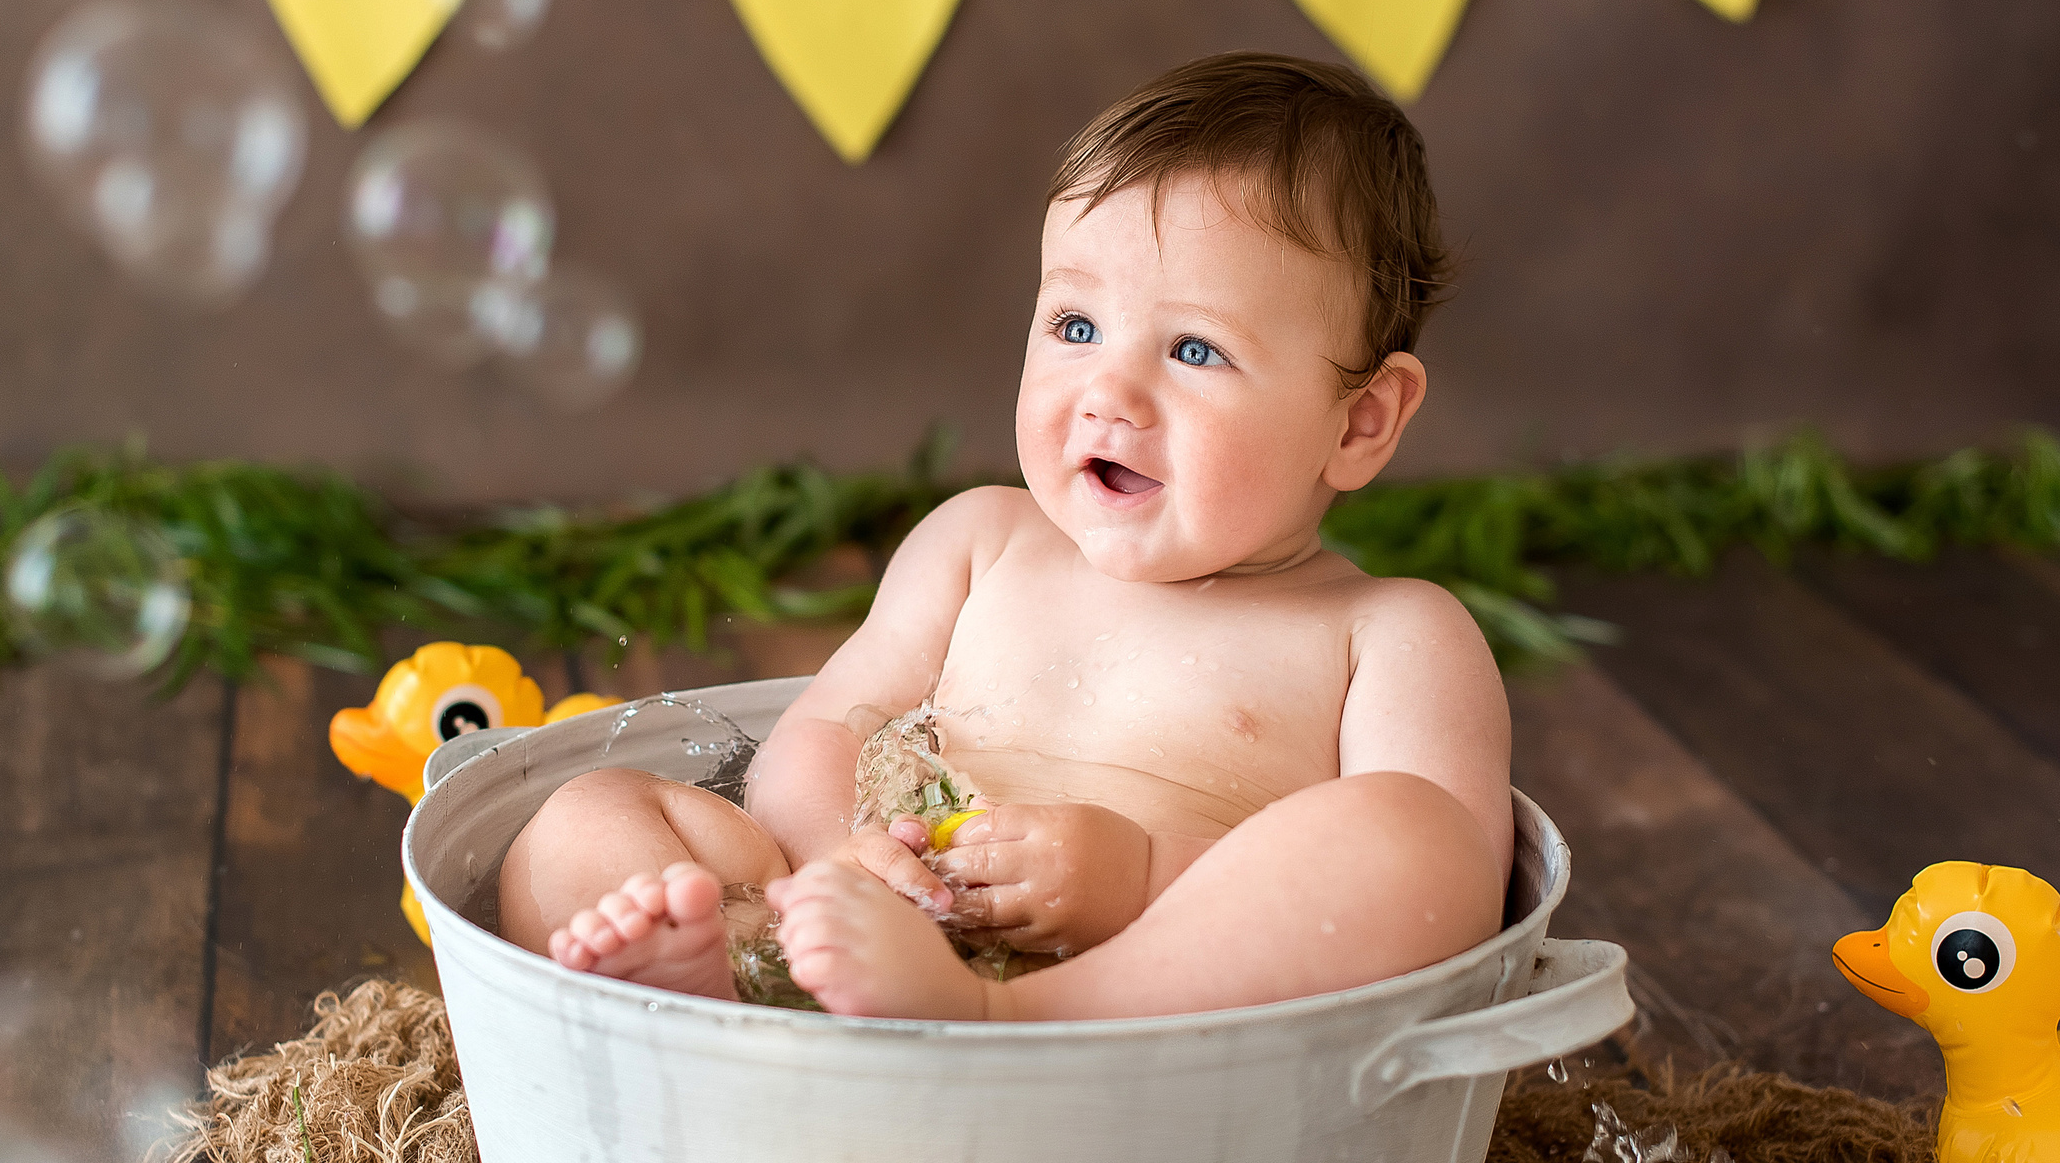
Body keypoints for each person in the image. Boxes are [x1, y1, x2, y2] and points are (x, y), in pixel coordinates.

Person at [498, 52, 1513, 1022]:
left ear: (1360, 419)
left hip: (1140, 1009)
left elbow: (1448, 903)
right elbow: (824, 730)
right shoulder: (980, 541)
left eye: (1195, 348)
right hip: (866, 925)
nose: (1108, 391)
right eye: (1075, 325)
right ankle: (711, 987)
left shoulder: (1388, 632)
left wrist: (1140, 877)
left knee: (1414, 833)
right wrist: (839, 863)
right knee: (588, 809)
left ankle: (1006, 1016)